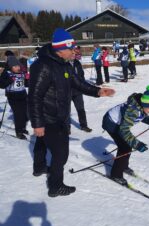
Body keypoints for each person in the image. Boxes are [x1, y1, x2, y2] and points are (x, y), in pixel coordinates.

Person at [28, 28, 115, 197]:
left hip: (59, 115)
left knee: (42, 142)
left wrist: (97, 91)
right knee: (61, 154)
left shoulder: (64, 65)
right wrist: (37, 124)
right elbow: (34, 96)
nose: (74, 51)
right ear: (60, 49)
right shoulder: (43, 66)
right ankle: (55, 186)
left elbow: (78, 83)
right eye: (71, 48)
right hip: (49, 118)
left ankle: (39, 167)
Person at [102, 85, 149, 186]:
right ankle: (116, 175)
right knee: (125, 148)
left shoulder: (141, 106)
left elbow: (141, 115)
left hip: (118, 123)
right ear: (143, 104)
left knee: (127, 145)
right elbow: (124, 130)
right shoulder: (133, 110)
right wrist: (137, 144)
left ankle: (123, 166)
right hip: (111, 123)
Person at [0, 56, 29, 139]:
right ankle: (19, 131)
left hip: (23, 95)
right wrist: (10, 80)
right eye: (15, 66)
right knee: (18, 114)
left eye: (18, 66)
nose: (17, 68)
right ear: (10, 66)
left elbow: (26, 84)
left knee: (24, 113)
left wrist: (27, 79)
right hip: (13, 96)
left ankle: (22, 128)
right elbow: (1, 84)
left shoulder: (22, 72)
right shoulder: (7, 73)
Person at [70, 48, 92, 132]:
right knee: (65, 111)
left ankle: (84, 125)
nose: (73, 55)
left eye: (74, 54)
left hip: (77, 91)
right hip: (66, 91)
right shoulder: (63, 64)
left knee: (81, 109)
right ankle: (66, 128)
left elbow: (81, 76)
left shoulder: (77, 63)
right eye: (71, 54)